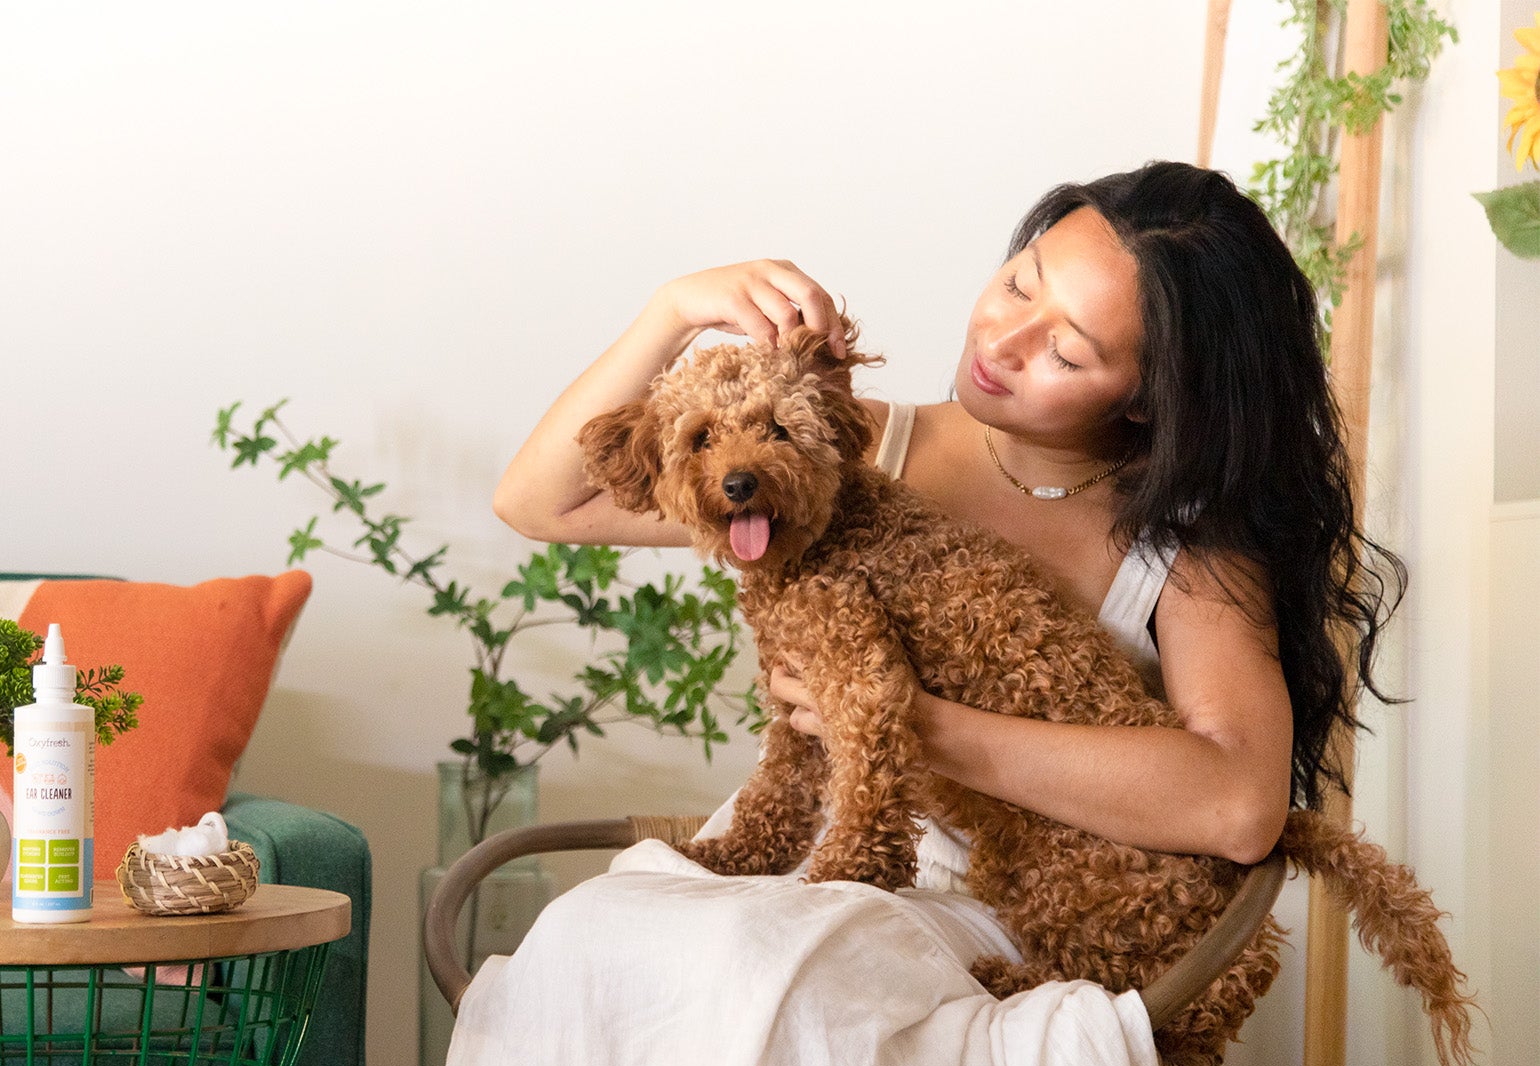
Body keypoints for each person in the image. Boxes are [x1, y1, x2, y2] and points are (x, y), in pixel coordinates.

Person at [492, 160, 1401, 874]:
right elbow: (541, 502)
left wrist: (919, 725)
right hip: (817, 861)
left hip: (1021, 898)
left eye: (1067, 350)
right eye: (1019, 284)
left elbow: (1238, 805)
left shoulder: (1183, 536)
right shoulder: (842, 455)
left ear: (1148, 402)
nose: (1002, 343)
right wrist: (675, 310)